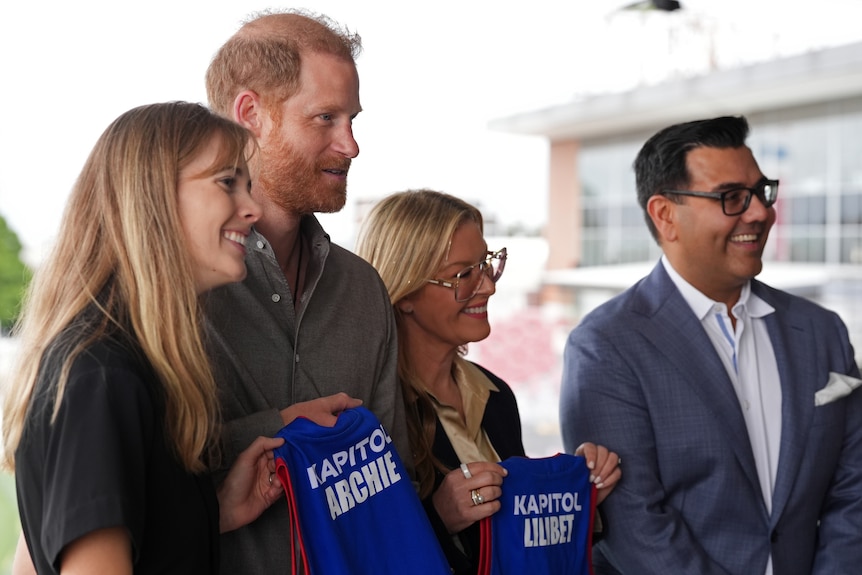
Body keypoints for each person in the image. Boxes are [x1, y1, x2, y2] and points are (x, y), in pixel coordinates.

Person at [559, 115, 862, 574]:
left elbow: (852, 490)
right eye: (732, 198)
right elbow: (636, 525)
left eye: (761, 192)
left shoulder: (822, 331)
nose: (760, 212)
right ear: (665, 215)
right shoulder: (606, 345)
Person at [0, 101, 287, 574]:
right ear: (150, 194)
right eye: (227, 183)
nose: (253, 209)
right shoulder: (103, 375)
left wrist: (212, 511)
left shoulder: (116, 363)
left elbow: (32, 561)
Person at [202, 9, 408, 573]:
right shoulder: (172, 287)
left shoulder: (364, 290)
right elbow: (126, 469)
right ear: (251, 117)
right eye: (325, 118)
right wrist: (279, 428)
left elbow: (392, 482)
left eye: (352, 118)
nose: (351, 145)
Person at [355, 189, 621, 575]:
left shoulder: (496, 394)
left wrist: (577, 497)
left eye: (486, 265)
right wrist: (438, 518)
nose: (488, 286)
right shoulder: (372, 413)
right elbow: (358, 552)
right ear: (405, 292)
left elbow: (522, 542)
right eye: (463, 275)